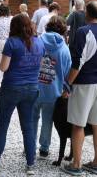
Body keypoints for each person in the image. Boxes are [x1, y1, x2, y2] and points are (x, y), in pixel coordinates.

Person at [0, 14, 44, 174]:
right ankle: (30, 164)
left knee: (2, 126)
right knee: (28, 127)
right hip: (32, 88)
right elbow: (40, 65)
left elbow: (3, 67)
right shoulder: (39, 42)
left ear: (14, 27)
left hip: (11, 87)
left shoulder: (12, 42)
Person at [62, 1, 97, 176]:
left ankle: (76, 164)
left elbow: (77, 62)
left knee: (78, 124)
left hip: (85, 83)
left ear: (86, 13)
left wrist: (67, 83)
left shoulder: (84, 32)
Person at [33, 15, 71, 159]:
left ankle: (29, 146)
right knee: (47, 121)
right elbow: (68, 72)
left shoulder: (36, 43)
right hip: (53, 91)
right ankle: (44, 148)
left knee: (31, 119)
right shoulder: (64, 49)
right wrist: (67, 89)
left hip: (34, 88)